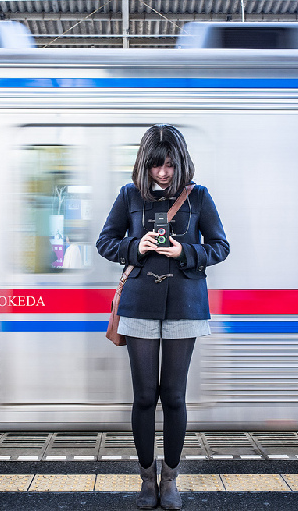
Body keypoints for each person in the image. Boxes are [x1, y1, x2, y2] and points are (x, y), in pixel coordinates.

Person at [96, 125, 229, 510]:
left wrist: (185, 252)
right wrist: (135, 246)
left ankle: (170, 480)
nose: (163, 173)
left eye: (170, 165)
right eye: (156, 165)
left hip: (184, 305)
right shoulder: (128, 195)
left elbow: (220, 246)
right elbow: (106, 241)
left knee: (173, 396)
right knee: (143, 397)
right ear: (145, 164)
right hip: (139, 305)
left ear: (181, 163)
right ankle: (146, 479)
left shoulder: (199, 198)